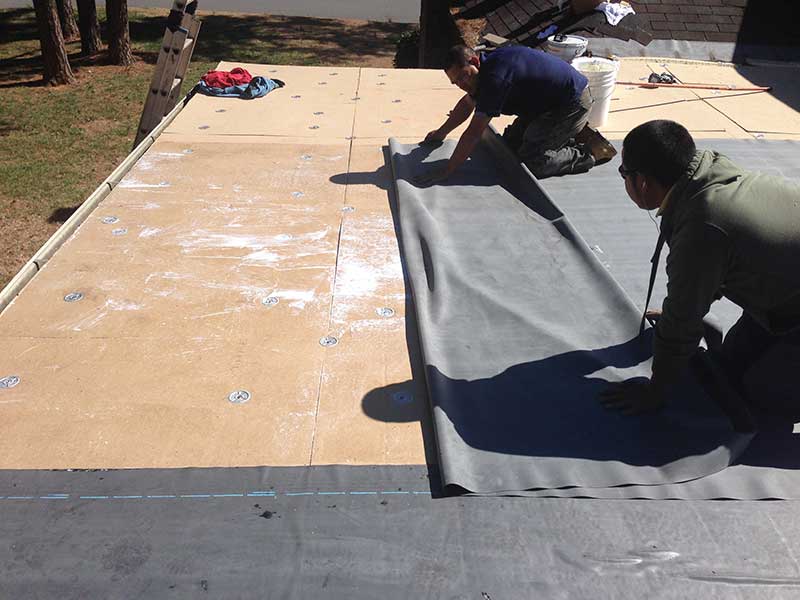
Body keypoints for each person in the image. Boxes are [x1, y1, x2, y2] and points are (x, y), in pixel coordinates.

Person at [601, 119, 800, 415]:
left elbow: (680, 324)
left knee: (760, 403)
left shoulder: (703, 226)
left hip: (790, 299)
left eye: (623, 173)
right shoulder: (708, 170)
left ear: (642, 181)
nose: (625, 180)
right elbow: (725, 255)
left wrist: (655, 392)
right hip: (785, 287)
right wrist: (685, 309)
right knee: (728, 370)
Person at [416, 44, 615, 185]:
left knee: (532, 161)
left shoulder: (495, 77)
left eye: (462, 76)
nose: (461, 84)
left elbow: (473, 133)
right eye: (455, 82)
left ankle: (590, 152)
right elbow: (467, 104)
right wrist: (441, 133)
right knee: (509, 145)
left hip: (570, 104)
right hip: (545, 104)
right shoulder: (484, 71)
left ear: (475, 61)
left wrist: (447, 170)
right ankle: (567, 135)